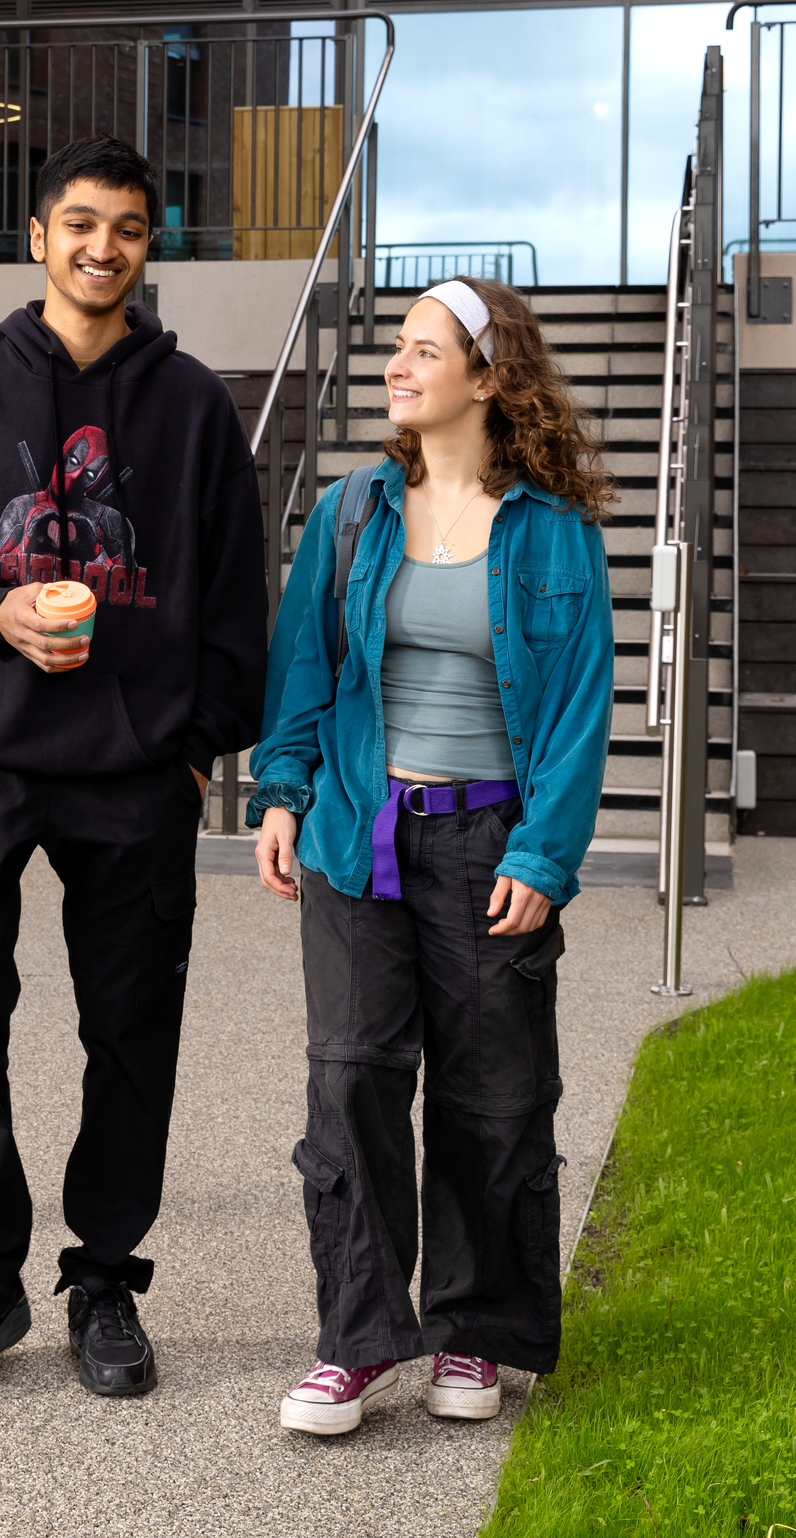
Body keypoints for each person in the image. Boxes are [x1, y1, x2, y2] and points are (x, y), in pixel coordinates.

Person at [0, 135, 270, 1400]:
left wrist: (195, 751)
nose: (104, 249)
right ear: (38, 236)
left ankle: (103, 1277)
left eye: (131, 229)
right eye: (81, 224)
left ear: (153, 246)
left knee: (131, 1030)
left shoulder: (196, 404)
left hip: (135, 769)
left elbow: (234, 604)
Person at [247, 276, 616, 1437]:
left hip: (491, 842)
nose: (396, 367)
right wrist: (283, 793)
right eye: (396, 349)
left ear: (488, 378)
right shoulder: (354, 512)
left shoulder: (555, 539)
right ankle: (355, 1344)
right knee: (350, 1079)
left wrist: (545, 857)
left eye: (421, 350)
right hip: (363, 832)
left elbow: (579, 716)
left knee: (492, 1097)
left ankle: (473, 1331)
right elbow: (306, 669)